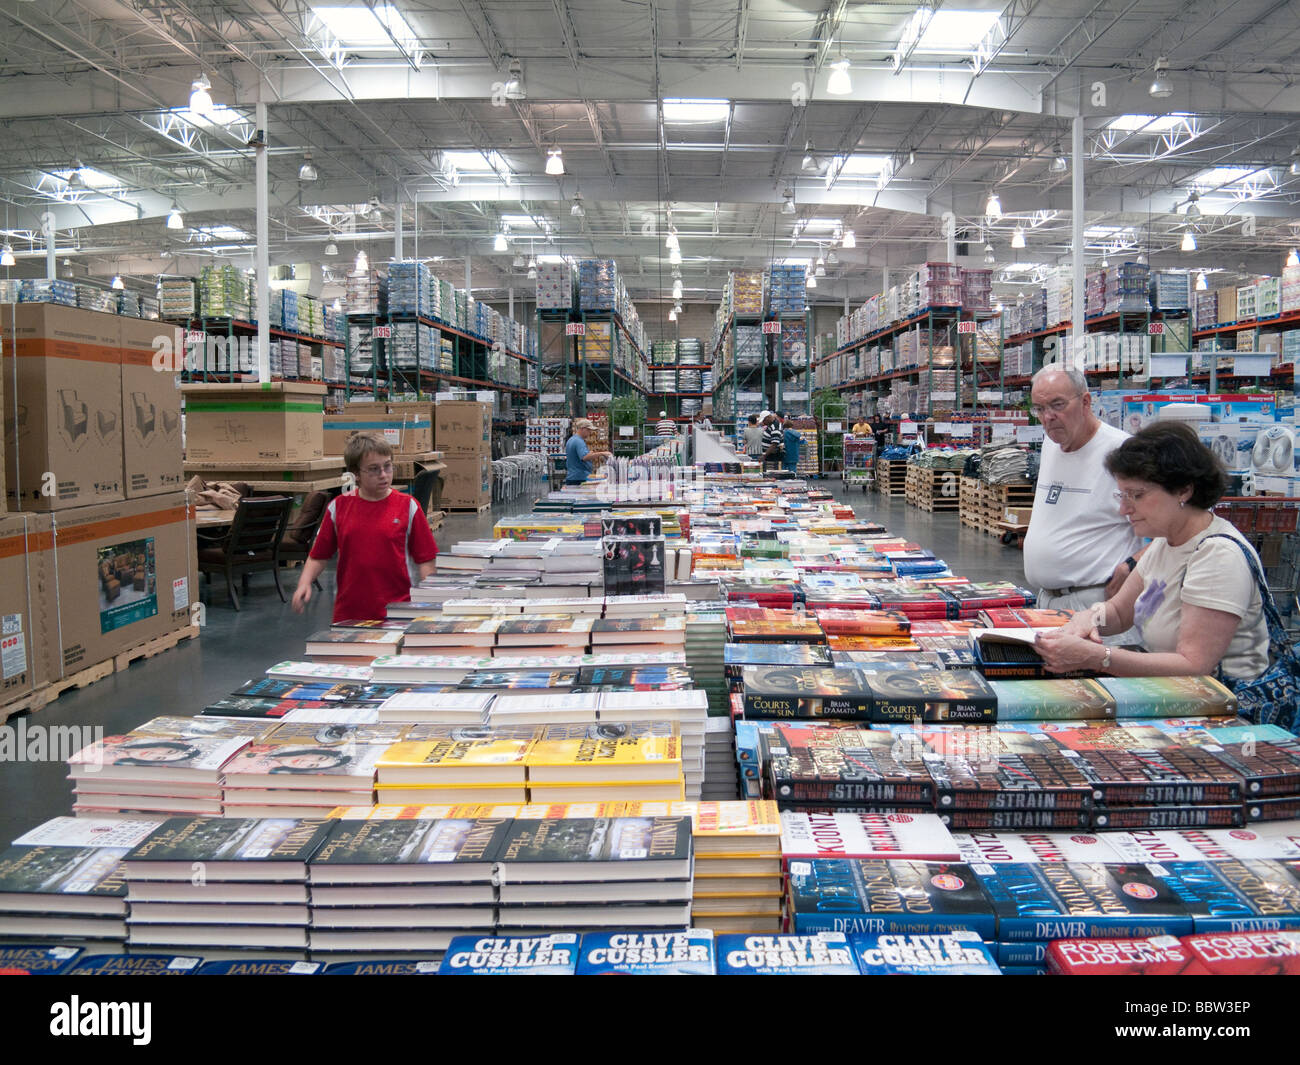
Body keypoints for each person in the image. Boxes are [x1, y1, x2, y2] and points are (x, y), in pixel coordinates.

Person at [1036, 421, 1268, 682]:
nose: (1124, 509)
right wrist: (1088, 617)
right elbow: (1121, 612)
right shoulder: (1165, 542)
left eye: (1136, 495)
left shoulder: (1217, 557)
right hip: (1177, 696)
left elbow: (1194, 665)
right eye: (1121, 495)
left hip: (1225, 707)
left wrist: (1098, 657)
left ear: (1183, 490)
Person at [1021, 366, 1144, 623]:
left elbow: (1182, 524)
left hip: (1096, 602)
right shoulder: (1051, 445)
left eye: (1057, 405)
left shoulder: (1123, 452)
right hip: (1047, 600)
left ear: (1086, 401)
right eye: (1039, 409)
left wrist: (1133, 564)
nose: (1048, 417)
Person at [292, 433, 438, 623]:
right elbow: (319, 555)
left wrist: (432, 601)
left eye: (387, 466)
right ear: (356, 474)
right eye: (374, 469)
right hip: (349, 615)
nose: (383, 474)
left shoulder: (408, 507)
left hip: (397, 614)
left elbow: (425, 559)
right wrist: (304, 583)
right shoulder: (339, 507)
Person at [564, 417, 611, 486]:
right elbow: (584, 457)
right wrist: (602, 453)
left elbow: (578, 456)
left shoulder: (572, 439)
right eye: (589, 430)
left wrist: (590, 453)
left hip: (573, 477)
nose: (590, 432)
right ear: (582, 429)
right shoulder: (579, 441)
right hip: (579, 478)